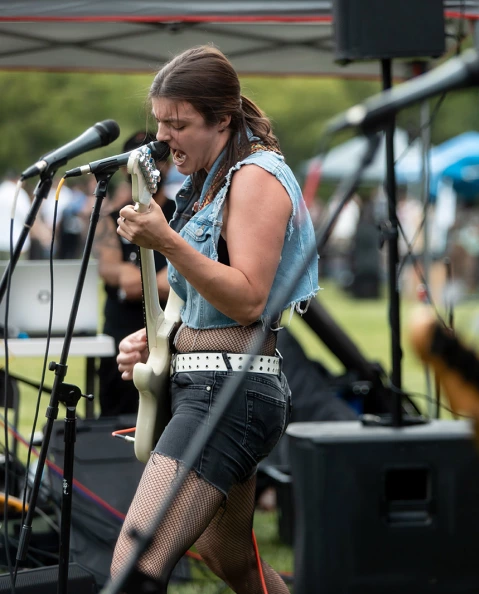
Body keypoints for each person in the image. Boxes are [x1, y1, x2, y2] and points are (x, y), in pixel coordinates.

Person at [110, 45, 318, 593]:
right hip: (208, 381)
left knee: (135, 563)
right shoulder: (208, 180)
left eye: (178, 124)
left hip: (231, 391)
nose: (163, 137)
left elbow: (249, 301)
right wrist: (162, 341)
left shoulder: (256, 176)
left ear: (222, 118)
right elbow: (205, 301)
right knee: (234, 561)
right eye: (159, 122)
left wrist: (166, 241)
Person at [94, 131, 175, 418]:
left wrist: (139, 279)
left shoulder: (180, 215)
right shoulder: (110, 219)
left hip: (170, 339)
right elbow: (114, 274)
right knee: (117, 421)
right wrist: (163, 280)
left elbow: (176, 283)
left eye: (154, 161)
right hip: (119, 341)